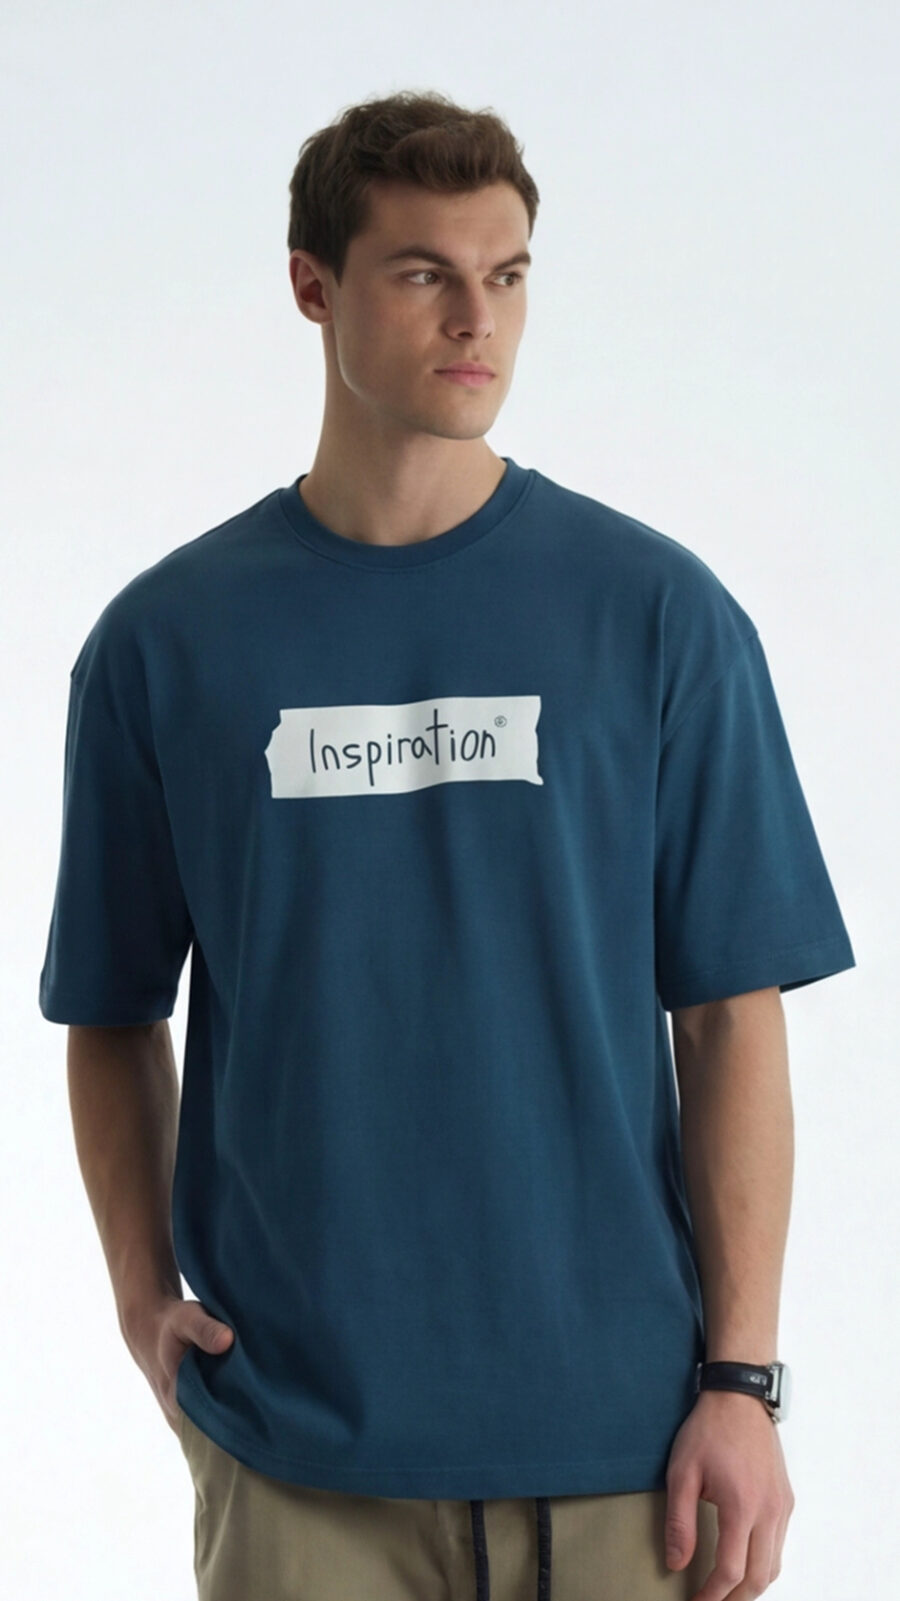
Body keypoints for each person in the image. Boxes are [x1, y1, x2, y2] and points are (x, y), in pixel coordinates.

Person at [39, 89, 856, 1601]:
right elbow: (109, 1011)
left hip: (628, 1454)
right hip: (300, 1459)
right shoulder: (166, 645)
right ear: (313, 285)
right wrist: (141, 1297)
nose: (478, 318)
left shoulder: (658, 619)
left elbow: (733, 1013)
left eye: (508, 274)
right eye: (424, 272)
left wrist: (744, 1381)